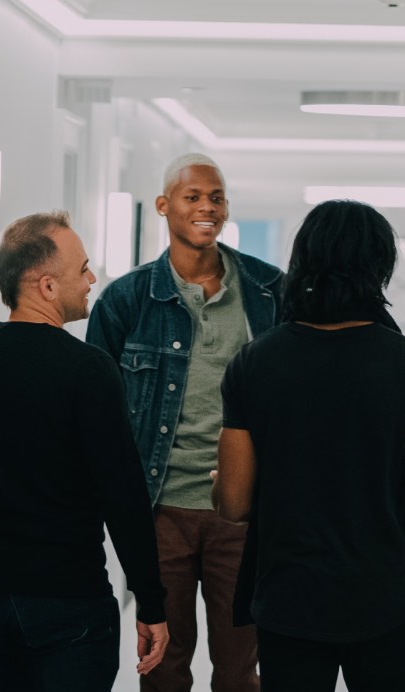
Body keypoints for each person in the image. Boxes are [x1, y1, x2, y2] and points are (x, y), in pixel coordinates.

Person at [210, 199, 405, 690]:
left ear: (303, 260)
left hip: (289, 600)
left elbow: (234, 504)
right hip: (383, 601)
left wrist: (224, 484)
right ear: (380, 267)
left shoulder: (253, 363)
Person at [0, 211, 169, 691]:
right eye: (81, 269)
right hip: (67, 601)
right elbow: (123, 496)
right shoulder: (87, 371)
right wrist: (152, 603)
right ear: (46, 287)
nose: (92, 279)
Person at [86, 153, 281, 692]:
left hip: (241, 512)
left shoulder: (268, 292)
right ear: (164, 206)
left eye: (216, 197)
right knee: (164, 668)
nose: (207, 207)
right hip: (157, 512)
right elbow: (94, 413)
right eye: (193, 196)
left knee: (240, 670)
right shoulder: (125, 300)